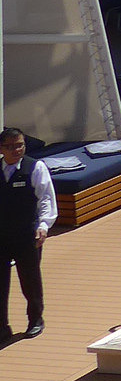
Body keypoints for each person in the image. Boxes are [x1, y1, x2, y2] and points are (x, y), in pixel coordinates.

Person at [0, 126, 54, 340]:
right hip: (1, 235)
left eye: (20, 145)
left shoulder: (35, 168)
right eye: (10, 147)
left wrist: (43, 226)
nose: (16, 150)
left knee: (29, 280)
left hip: (27, 234)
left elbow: (46, 199)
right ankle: (2, 327)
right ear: (1, 149)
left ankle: (35, 319)